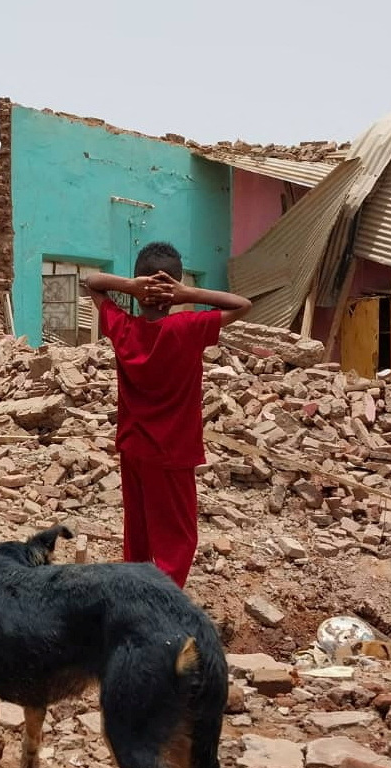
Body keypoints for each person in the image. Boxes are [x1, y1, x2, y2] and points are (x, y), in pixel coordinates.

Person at [84, 242, 252, 588]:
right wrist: (188, 293)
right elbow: (242, 305)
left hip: (133, 450)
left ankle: (136, 595)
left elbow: (92, 281)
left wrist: (129, 286)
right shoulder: (188, 328)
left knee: (139, 531)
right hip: (173, 453)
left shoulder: (124, 328)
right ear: (174, 287)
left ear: (139, 287)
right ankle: (163, 603)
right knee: (177, 538)